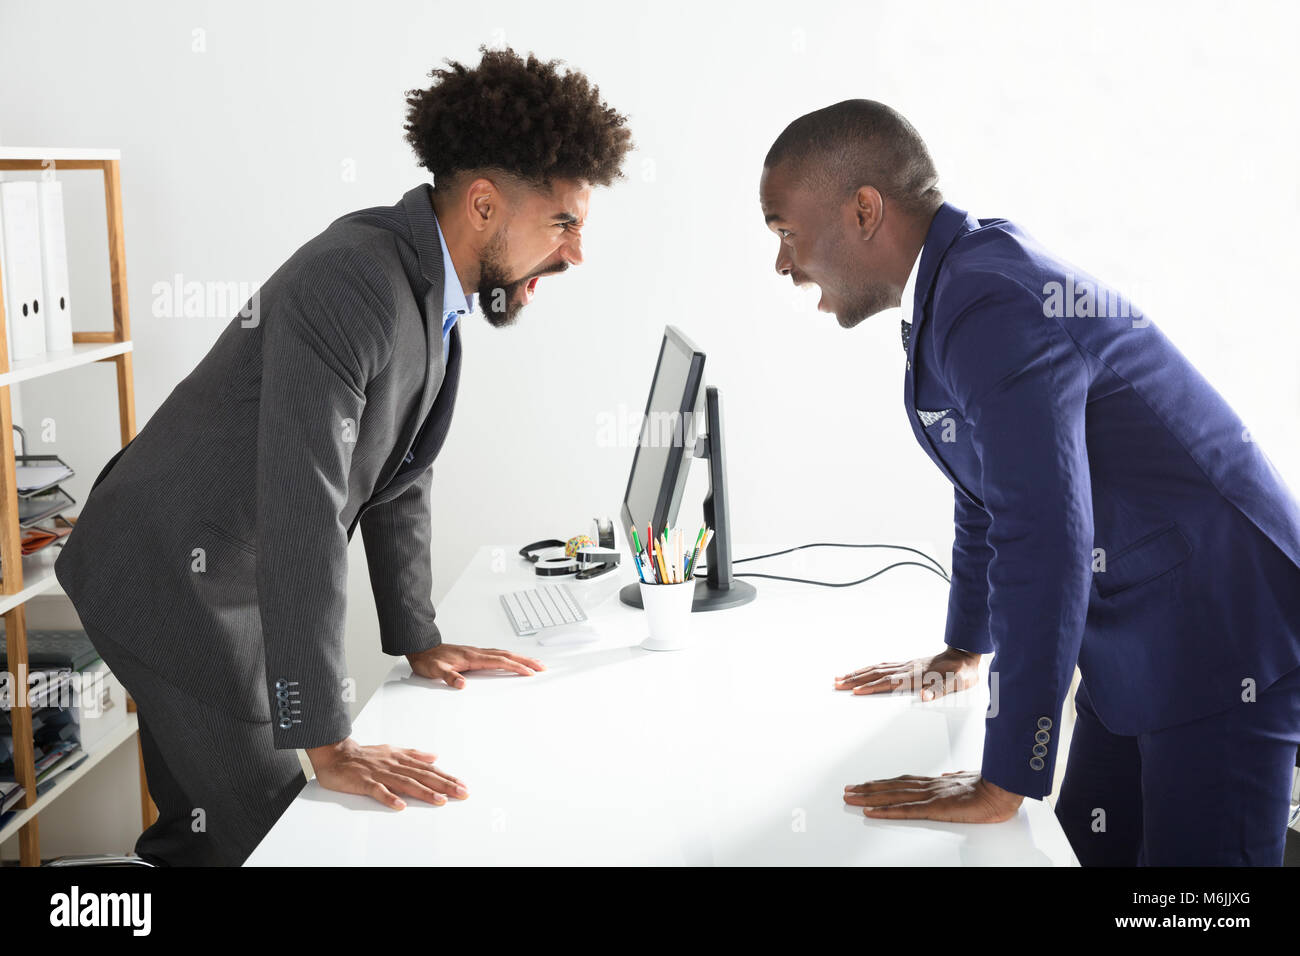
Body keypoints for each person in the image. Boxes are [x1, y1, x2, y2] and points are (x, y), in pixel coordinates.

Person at [55, 46, 633, 866]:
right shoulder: (357, 284)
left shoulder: (425, 288)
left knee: (197, 841)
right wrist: (326, 736)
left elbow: (400, 481)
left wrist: (417, 635)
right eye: (564, 222)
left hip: (206, 572)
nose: (575, 253)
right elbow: (306, 505)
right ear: (482, 204)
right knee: (293, 843)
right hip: (165, 581)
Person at [758, 99, 1300, 865]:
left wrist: (1004, 776)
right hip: (1134, 628)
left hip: (1222, 630)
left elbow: (1044, 534)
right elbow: (991, 489)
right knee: (1078, 845)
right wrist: (964, 647)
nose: (783, 262)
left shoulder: (990, 299)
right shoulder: (955, 285)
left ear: (864, 209)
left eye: (784, 230)